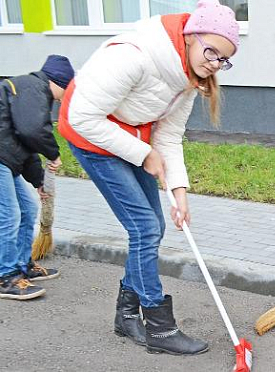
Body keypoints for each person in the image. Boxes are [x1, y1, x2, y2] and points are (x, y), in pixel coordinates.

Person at [57, 0, 239, 356]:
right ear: (190, 35)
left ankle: (126, 314)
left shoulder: (190, 77)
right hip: (90, 136)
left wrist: (179, 190)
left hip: (133, 137)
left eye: (223, 59)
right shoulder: (135, 55)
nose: (214, 63)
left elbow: (168, 136)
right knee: (144, 227)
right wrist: (144, 154)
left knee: (154, 223)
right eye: (211, 51)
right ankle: (158, 327)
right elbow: (83, 118)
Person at [0, 55, 74, 300]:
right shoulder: (34, 88)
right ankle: (6, 277)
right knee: (9, 214)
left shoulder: (32, 91)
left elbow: (26, 142)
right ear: (61, 82)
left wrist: (39, 181)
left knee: (28, 208)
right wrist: (53, 154)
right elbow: (32, 131)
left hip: (6, 158)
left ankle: (23, 265)